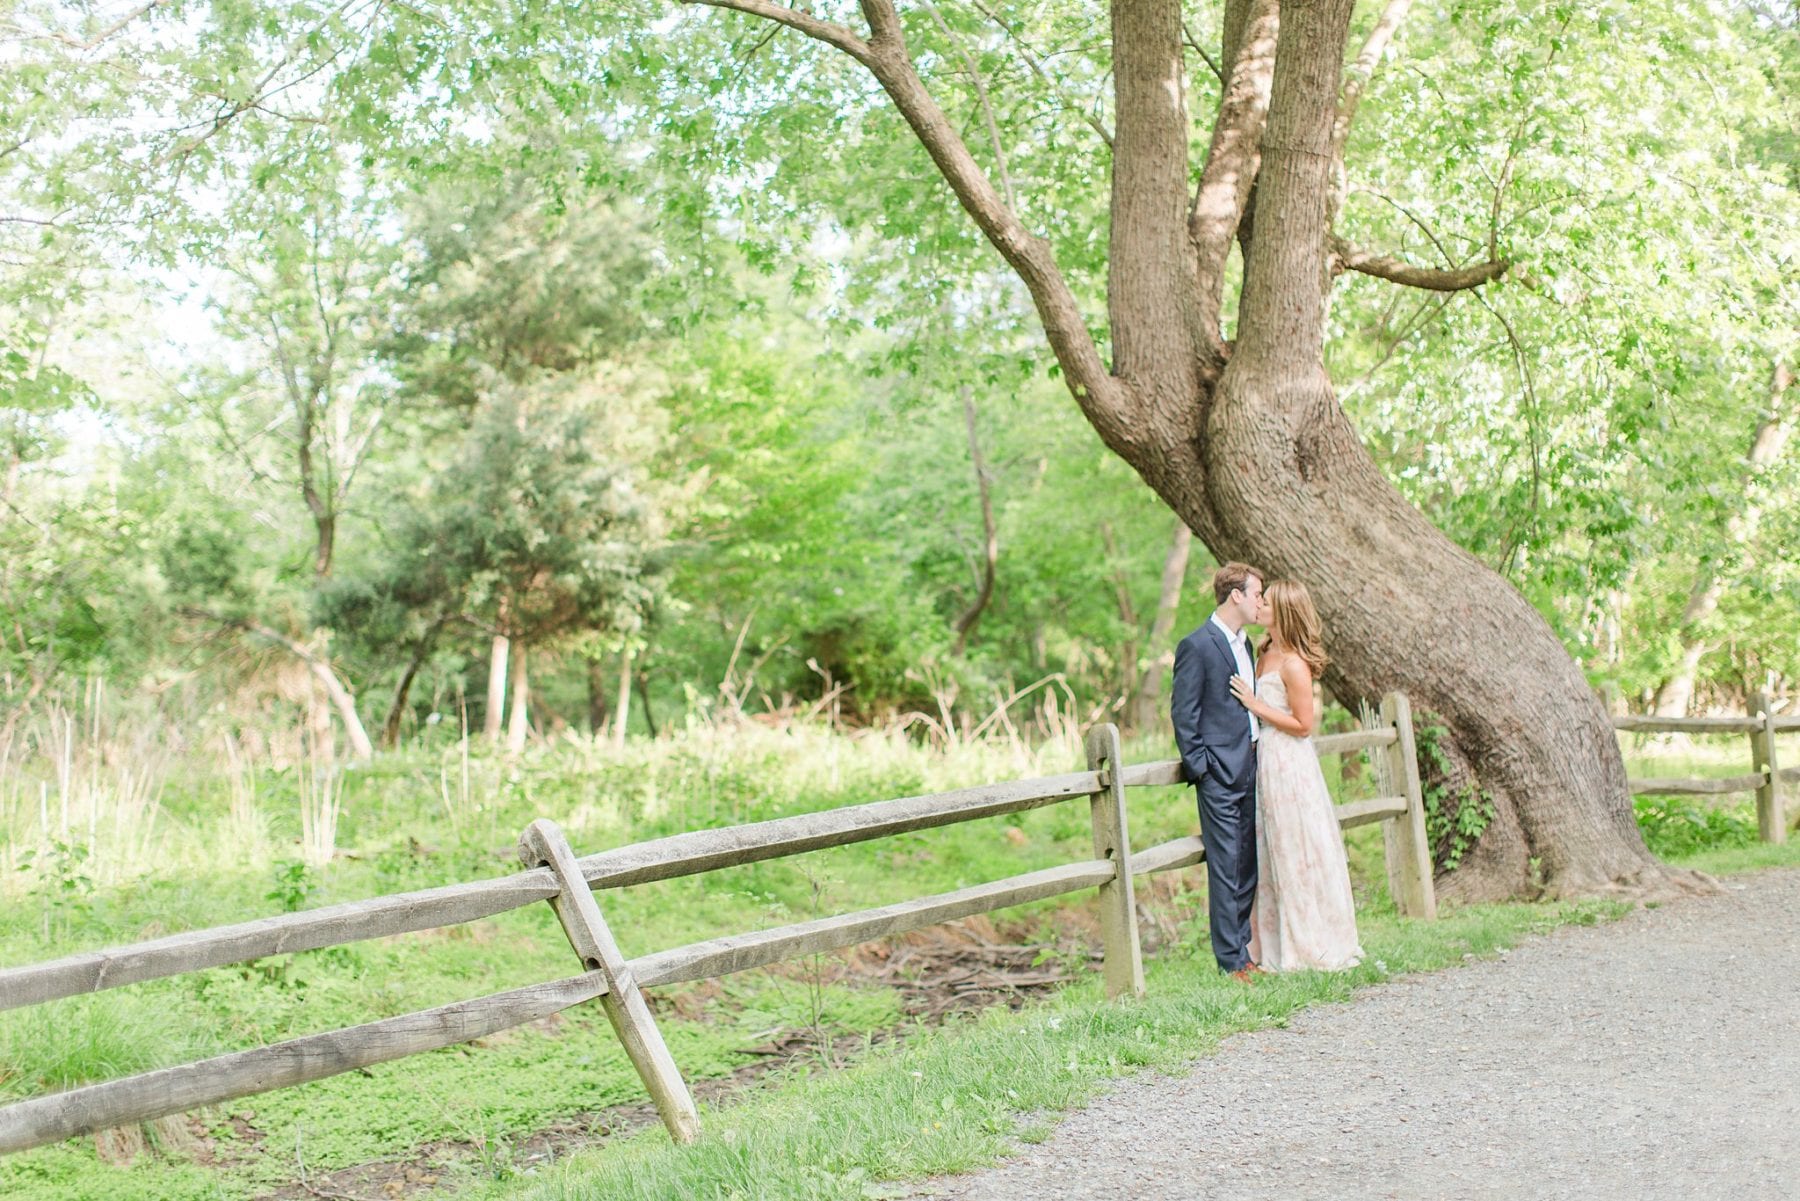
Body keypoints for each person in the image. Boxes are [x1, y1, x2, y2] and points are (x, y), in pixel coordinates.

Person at [1231, 579, 1363, 972]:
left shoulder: (1293, 664)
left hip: (1289, 761)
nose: (1259, 605)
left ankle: (1311, 943)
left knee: (1297, 847)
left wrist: (1256, 706)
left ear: (1283, 612)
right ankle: (1270, 942)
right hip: (1264, 760)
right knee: (1270, 849)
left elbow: (1304, 724)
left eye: (1266, 602)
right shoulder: (1265, 649)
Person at [1171, 562, 1265, 983]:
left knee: (1247, 863)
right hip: (1218, 775)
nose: (1261, 602)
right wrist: (1202, 769)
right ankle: (1231, 962)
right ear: (1236, 595)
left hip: (1250, 768)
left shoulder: (1245, 645)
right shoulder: (1198, 645)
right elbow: (1184, 714)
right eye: (1257, 593)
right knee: (1225, 866)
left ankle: (1243, 952)